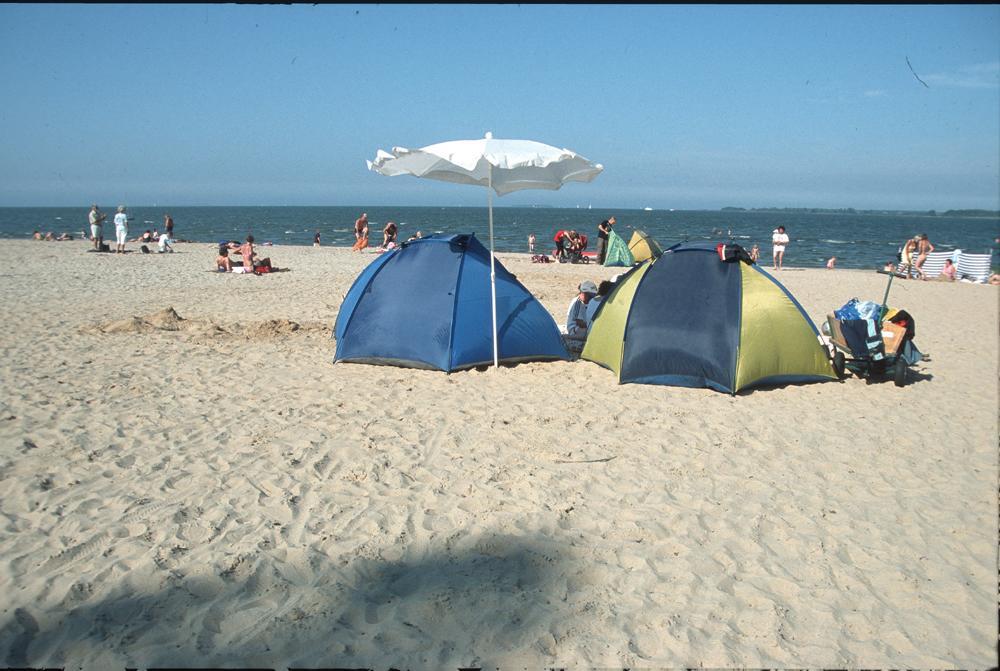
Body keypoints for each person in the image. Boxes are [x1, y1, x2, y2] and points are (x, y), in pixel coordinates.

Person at [564, 280, 599, 351]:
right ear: (583, 293)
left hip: (583, 327)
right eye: (590, 295)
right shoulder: (578, 302)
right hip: (574, 328)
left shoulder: (587, 302)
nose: (592, 298)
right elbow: (579, 322)